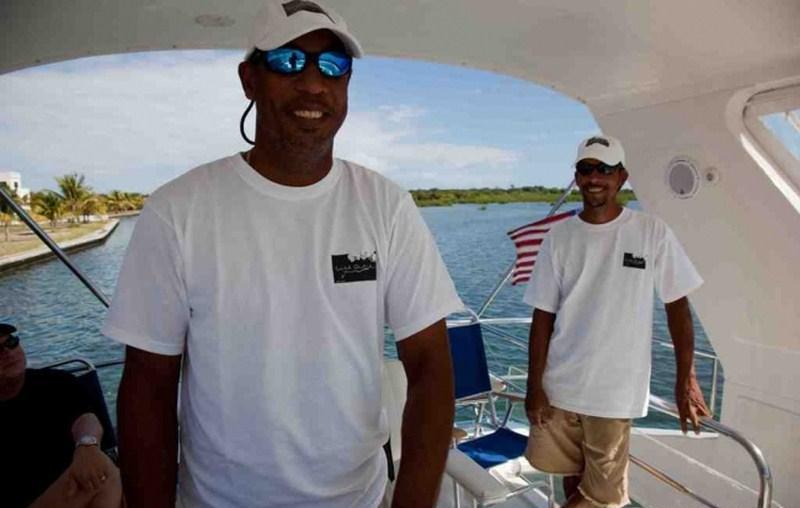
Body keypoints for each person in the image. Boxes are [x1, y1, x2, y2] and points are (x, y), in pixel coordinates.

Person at [101, 1, 463, 507]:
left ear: (347, 84)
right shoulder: (177, 211)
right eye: (288, 61)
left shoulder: (387, 207)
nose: (313, 83)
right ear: (249, 80)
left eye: (333, 66)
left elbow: (430, 366)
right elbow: (147, 387)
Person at [523, 135, 710, 508]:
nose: (595, 178)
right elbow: (542, 317)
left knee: (603, 497)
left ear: (622, 177)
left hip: (613, 394)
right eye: (586, 169)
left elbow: (677, 306)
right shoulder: (559, 236)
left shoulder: (651, 232)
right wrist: (534, 386)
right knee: (572, 479)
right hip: (559, 388)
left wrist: (686, 378)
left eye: (605, 169)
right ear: (577, 177)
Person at [0, 323, 123, 508]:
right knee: (104, 476)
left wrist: (87, 446)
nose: (8, 352)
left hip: (73, 491)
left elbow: (86, 418)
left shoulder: (55, 383)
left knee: (101, 473)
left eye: (11, 342)